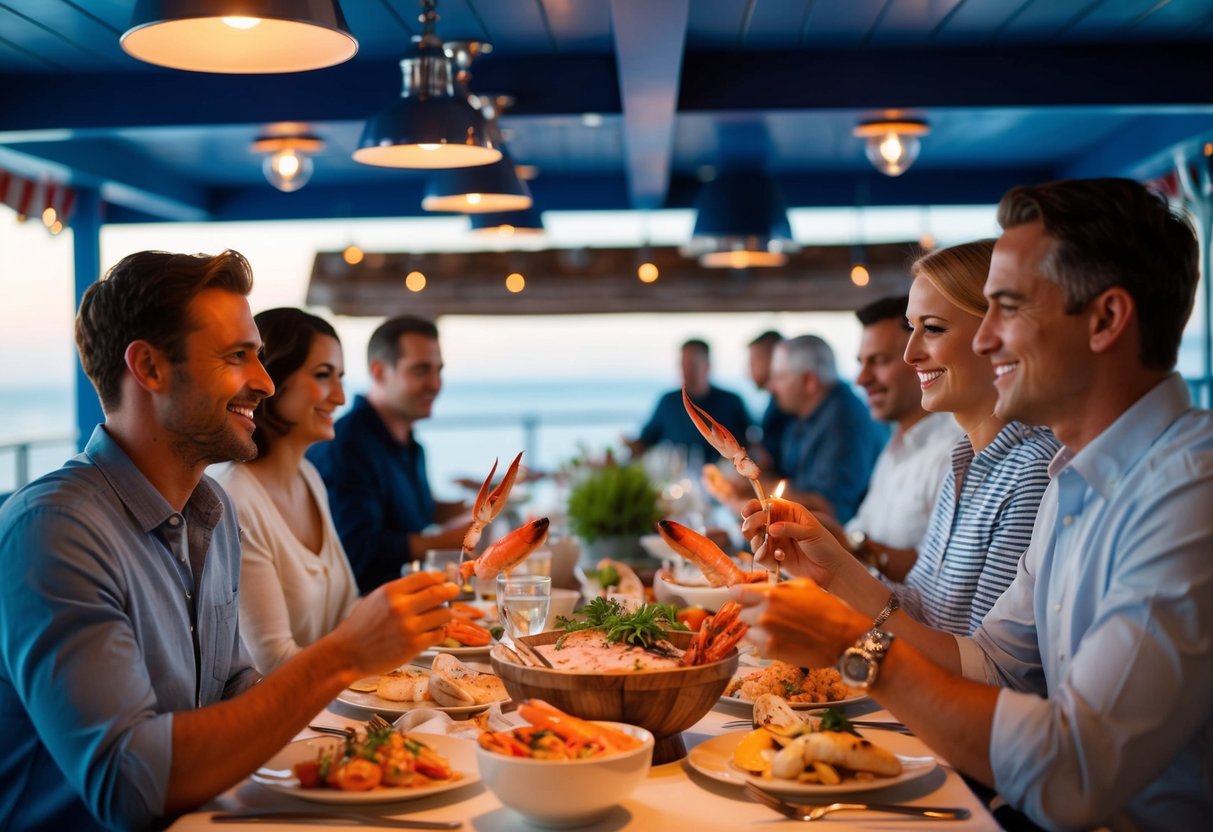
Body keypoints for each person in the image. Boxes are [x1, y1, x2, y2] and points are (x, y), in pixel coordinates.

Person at [736, 178, 1212, 830]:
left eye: (1007, 308)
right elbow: (989, 661)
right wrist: (833, 573)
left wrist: (854, 645)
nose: (986, 341)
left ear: (1104, 319)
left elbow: (1073, 775)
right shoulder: (1075, 473)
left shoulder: (1192, 490)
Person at [0, 250, 458, 831]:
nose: (264, 384)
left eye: (260, 359)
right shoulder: (54, 530)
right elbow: (128, 787)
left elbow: (235, 689)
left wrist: (375, 742)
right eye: (238, 357)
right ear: (149, 368)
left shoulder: (208, 513)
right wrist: (343, 656)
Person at [212, 308, 360, 674]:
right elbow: (273, 662)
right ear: (272, 378)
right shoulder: (235, 498)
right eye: (323, 375)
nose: (340, 397)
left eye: (340, 377)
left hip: (338, 708)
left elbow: (348, 611)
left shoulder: (308, 477)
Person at [308, 315, 469, 592]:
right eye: (421, 371)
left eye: (438, 370)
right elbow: (358, 550)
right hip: (363, 608)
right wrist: (458, 539)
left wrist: (480, 508)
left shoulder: (411, 445)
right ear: (380, 371)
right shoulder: (346, 446)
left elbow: (416, 511)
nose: (435, 384)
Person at [832, 296, 962, 582]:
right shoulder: (894, 445)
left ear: (920, 358)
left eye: (879, 361)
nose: (861, 379)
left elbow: (939, 577)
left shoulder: (957, 451)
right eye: (861, 363)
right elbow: (859, 531)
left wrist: (846, 543)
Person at [765, 334, 886, 523]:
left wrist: (756, 493)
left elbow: (831, 509)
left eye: (779, 377)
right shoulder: (805, 414)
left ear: (809, 382)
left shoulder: (843, 422)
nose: (771, 387)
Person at [626, 338, 752, 466]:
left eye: (692, 365)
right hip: (678, 478)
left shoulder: (731, 401)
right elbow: (646, 441)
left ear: (707, 366)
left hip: (725, 479)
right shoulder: (668, 402)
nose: (686, 372)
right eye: (683, 365)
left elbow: (752, 443)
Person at [746, 329, 790, 472]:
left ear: (773, 360)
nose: (747, 372)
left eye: (753, 363)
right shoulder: (774, 401)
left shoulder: (788, 406)